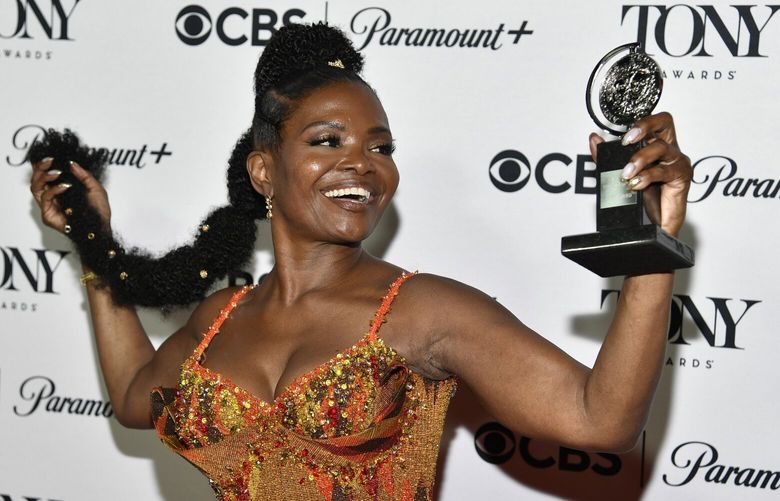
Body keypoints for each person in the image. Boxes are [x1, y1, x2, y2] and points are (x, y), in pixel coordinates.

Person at [28, 22, 692, 501]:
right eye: (328, 140)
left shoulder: (422, 308)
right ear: (264, 170)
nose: (362, 164)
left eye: (380, 146)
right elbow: (133, 397)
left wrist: (650, 252)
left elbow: (599, 419)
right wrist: (93, 240)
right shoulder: (218, 318)